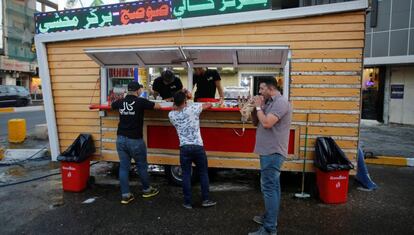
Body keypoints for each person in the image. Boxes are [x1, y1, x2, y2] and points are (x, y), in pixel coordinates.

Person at [249, 78, 292, 235]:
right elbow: (256, 123)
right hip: (267, 151)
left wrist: (259, 107)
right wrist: (255, 109)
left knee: (269, 188)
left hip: (273, 152)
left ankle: (269, 229)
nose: (259, 92)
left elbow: (267, 123)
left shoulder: (281, 102)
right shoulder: (267, 102)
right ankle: (269, 217)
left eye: (262, 89)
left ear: (271, 88)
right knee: (273, 188)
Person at [111, 81, 161, 204]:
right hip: (135, 140)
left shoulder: (121, 102)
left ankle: (126, 195)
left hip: (121, 139)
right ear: (138, 90)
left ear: (128, 90)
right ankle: (147, 190)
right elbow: (158, 107)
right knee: (141, 165)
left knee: (124, 167)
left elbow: (112, 105)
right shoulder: (140, 101)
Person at [168, 90, 217, 209]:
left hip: (184, 148)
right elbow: (209, 105)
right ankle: (205, 200)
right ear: (185, 101)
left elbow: (174, 107)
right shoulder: (193, 109)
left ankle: (187, 202)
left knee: (185, 175)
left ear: (174, 103)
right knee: (203, 173)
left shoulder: (171, 115)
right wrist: (190, 99)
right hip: (198, 146)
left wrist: (181, 102)